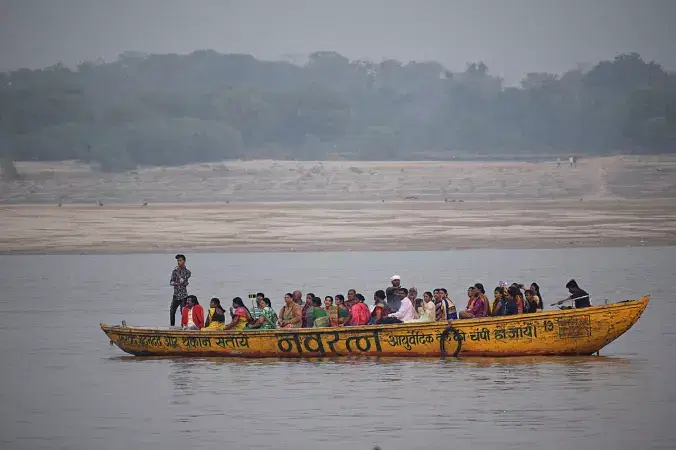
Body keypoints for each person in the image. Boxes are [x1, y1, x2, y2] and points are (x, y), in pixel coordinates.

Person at [169, 254, 192, 326]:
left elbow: (185, 280)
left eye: (180, 260)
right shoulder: (174, 271)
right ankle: (172, 326)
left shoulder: (187, 272)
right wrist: (176, 283)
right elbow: (171, 282)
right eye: (178, 260)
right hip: (176, 295)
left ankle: (184, 326)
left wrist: (184, 282)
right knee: (172, 311)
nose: (178, 262)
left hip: (183, 295)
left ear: (184, 261)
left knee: (183, 311)